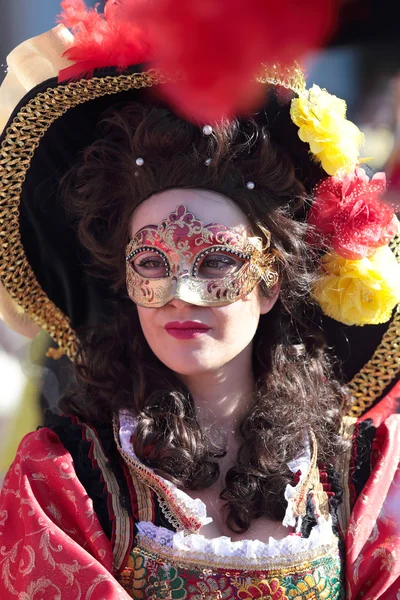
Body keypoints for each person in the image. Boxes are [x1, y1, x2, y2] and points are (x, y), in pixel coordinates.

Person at [0, 3, 400, 599]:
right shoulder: (67, 482)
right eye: (152, 264)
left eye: (215, 261)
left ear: (270, 284)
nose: (179, 294)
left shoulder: (354, 476)